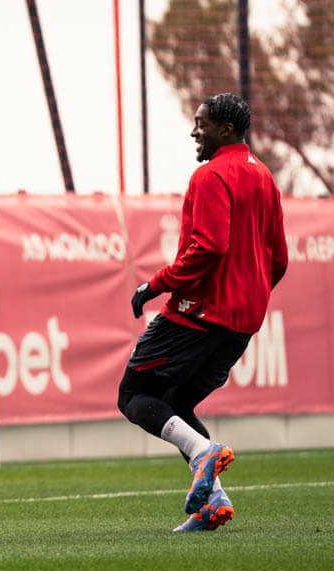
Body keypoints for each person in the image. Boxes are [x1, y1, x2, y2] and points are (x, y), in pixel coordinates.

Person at [118, 93, 288, 532]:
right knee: (175, 403)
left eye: (202, 124)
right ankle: (214, 502)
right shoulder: (264, 176)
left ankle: (203, 454)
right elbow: (279, 260)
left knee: (133, 395)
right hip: (243, 322)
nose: (195, 131)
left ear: (225, 130)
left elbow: (208, 247)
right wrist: (249, 295)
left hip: (199, 313)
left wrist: (154, 285)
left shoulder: (211, 175)